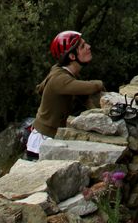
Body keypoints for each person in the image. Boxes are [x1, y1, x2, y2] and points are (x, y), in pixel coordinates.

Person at [25, 31, 105, 160]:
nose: (89, 46)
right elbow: (91, 87)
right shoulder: (60, 79)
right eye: (83, 46)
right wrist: (100, 84)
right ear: (72, 56)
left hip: (51, 137)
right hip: (43, 142)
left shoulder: (64, 72)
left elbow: (84, 98)